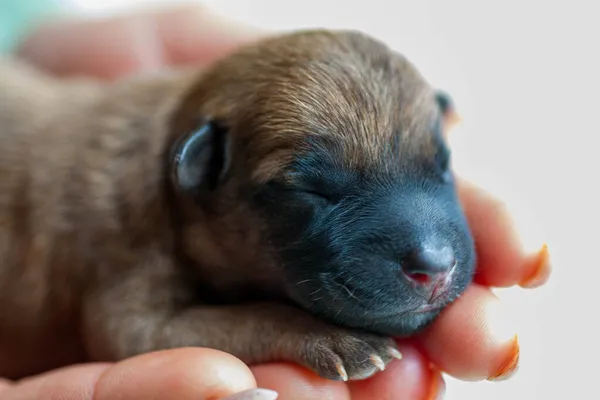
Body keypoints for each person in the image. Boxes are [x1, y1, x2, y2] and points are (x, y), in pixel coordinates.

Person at [0, 4, 551, 399]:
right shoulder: (110, 201)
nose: (432, 256)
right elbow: (136, 326)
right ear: (206, 169)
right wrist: (288, 334)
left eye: (436, 166)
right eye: (314, 189)